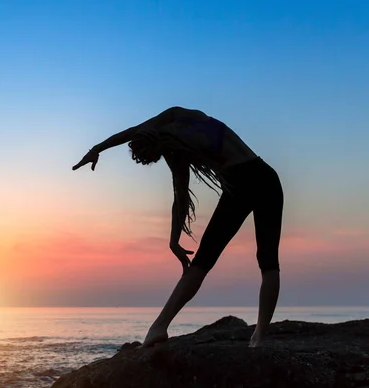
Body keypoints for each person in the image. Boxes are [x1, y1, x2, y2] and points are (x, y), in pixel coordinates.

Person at [72, 106, 283, 348]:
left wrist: (173, 241)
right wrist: (97, 149)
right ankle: (259, 337)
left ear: (157, 149)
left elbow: (180, 199)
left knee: (202, 262)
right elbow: (130, 132)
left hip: (240, 184)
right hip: (266, 176)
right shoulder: (175, 115)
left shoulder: (177, 150)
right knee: (268, 261)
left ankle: (158, 327)